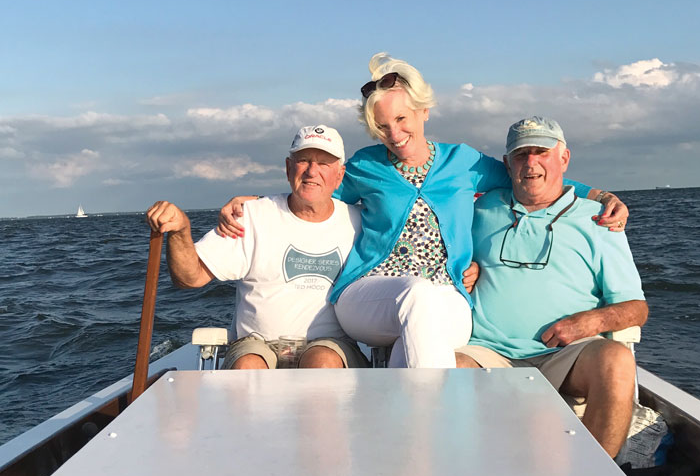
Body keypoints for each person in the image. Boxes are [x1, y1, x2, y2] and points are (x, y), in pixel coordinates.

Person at [217, 54, 629, 369]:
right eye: (382, 126)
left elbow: (525, 175)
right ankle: (433, 441)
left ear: (424, 111)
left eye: (401, 118)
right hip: (368, 295)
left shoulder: (463, 162)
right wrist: (254, 202)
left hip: (448, 297)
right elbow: (313, 186)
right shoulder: (365, 165)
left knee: (420, 328)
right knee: (417, 297)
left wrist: (596, 193)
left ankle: (403, 441)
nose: (393, 133)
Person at [456, 116, 648, 457]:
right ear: (506, 164)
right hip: (487, 352)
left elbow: (636, 308)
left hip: (566, 356)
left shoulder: (599, 220)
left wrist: (591, 322)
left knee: (616, 361)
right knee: (438, 365)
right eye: (521, 154)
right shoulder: (479, 209)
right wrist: (463, 269)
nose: (531, 163)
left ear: (564, 158)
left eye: (541, 152)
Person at [146, 125, 368, 370]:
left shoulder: (361, 222)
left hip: (331, 344)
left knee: (322, 363)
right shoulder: (250, 216)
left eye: (324, 163)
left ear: (339, 175)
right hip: (257, 344)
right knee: (248, 367)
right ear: (288, 168)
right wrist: (181, 231)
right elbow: (190, 278)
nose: (312, 171)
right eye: (303, 160)